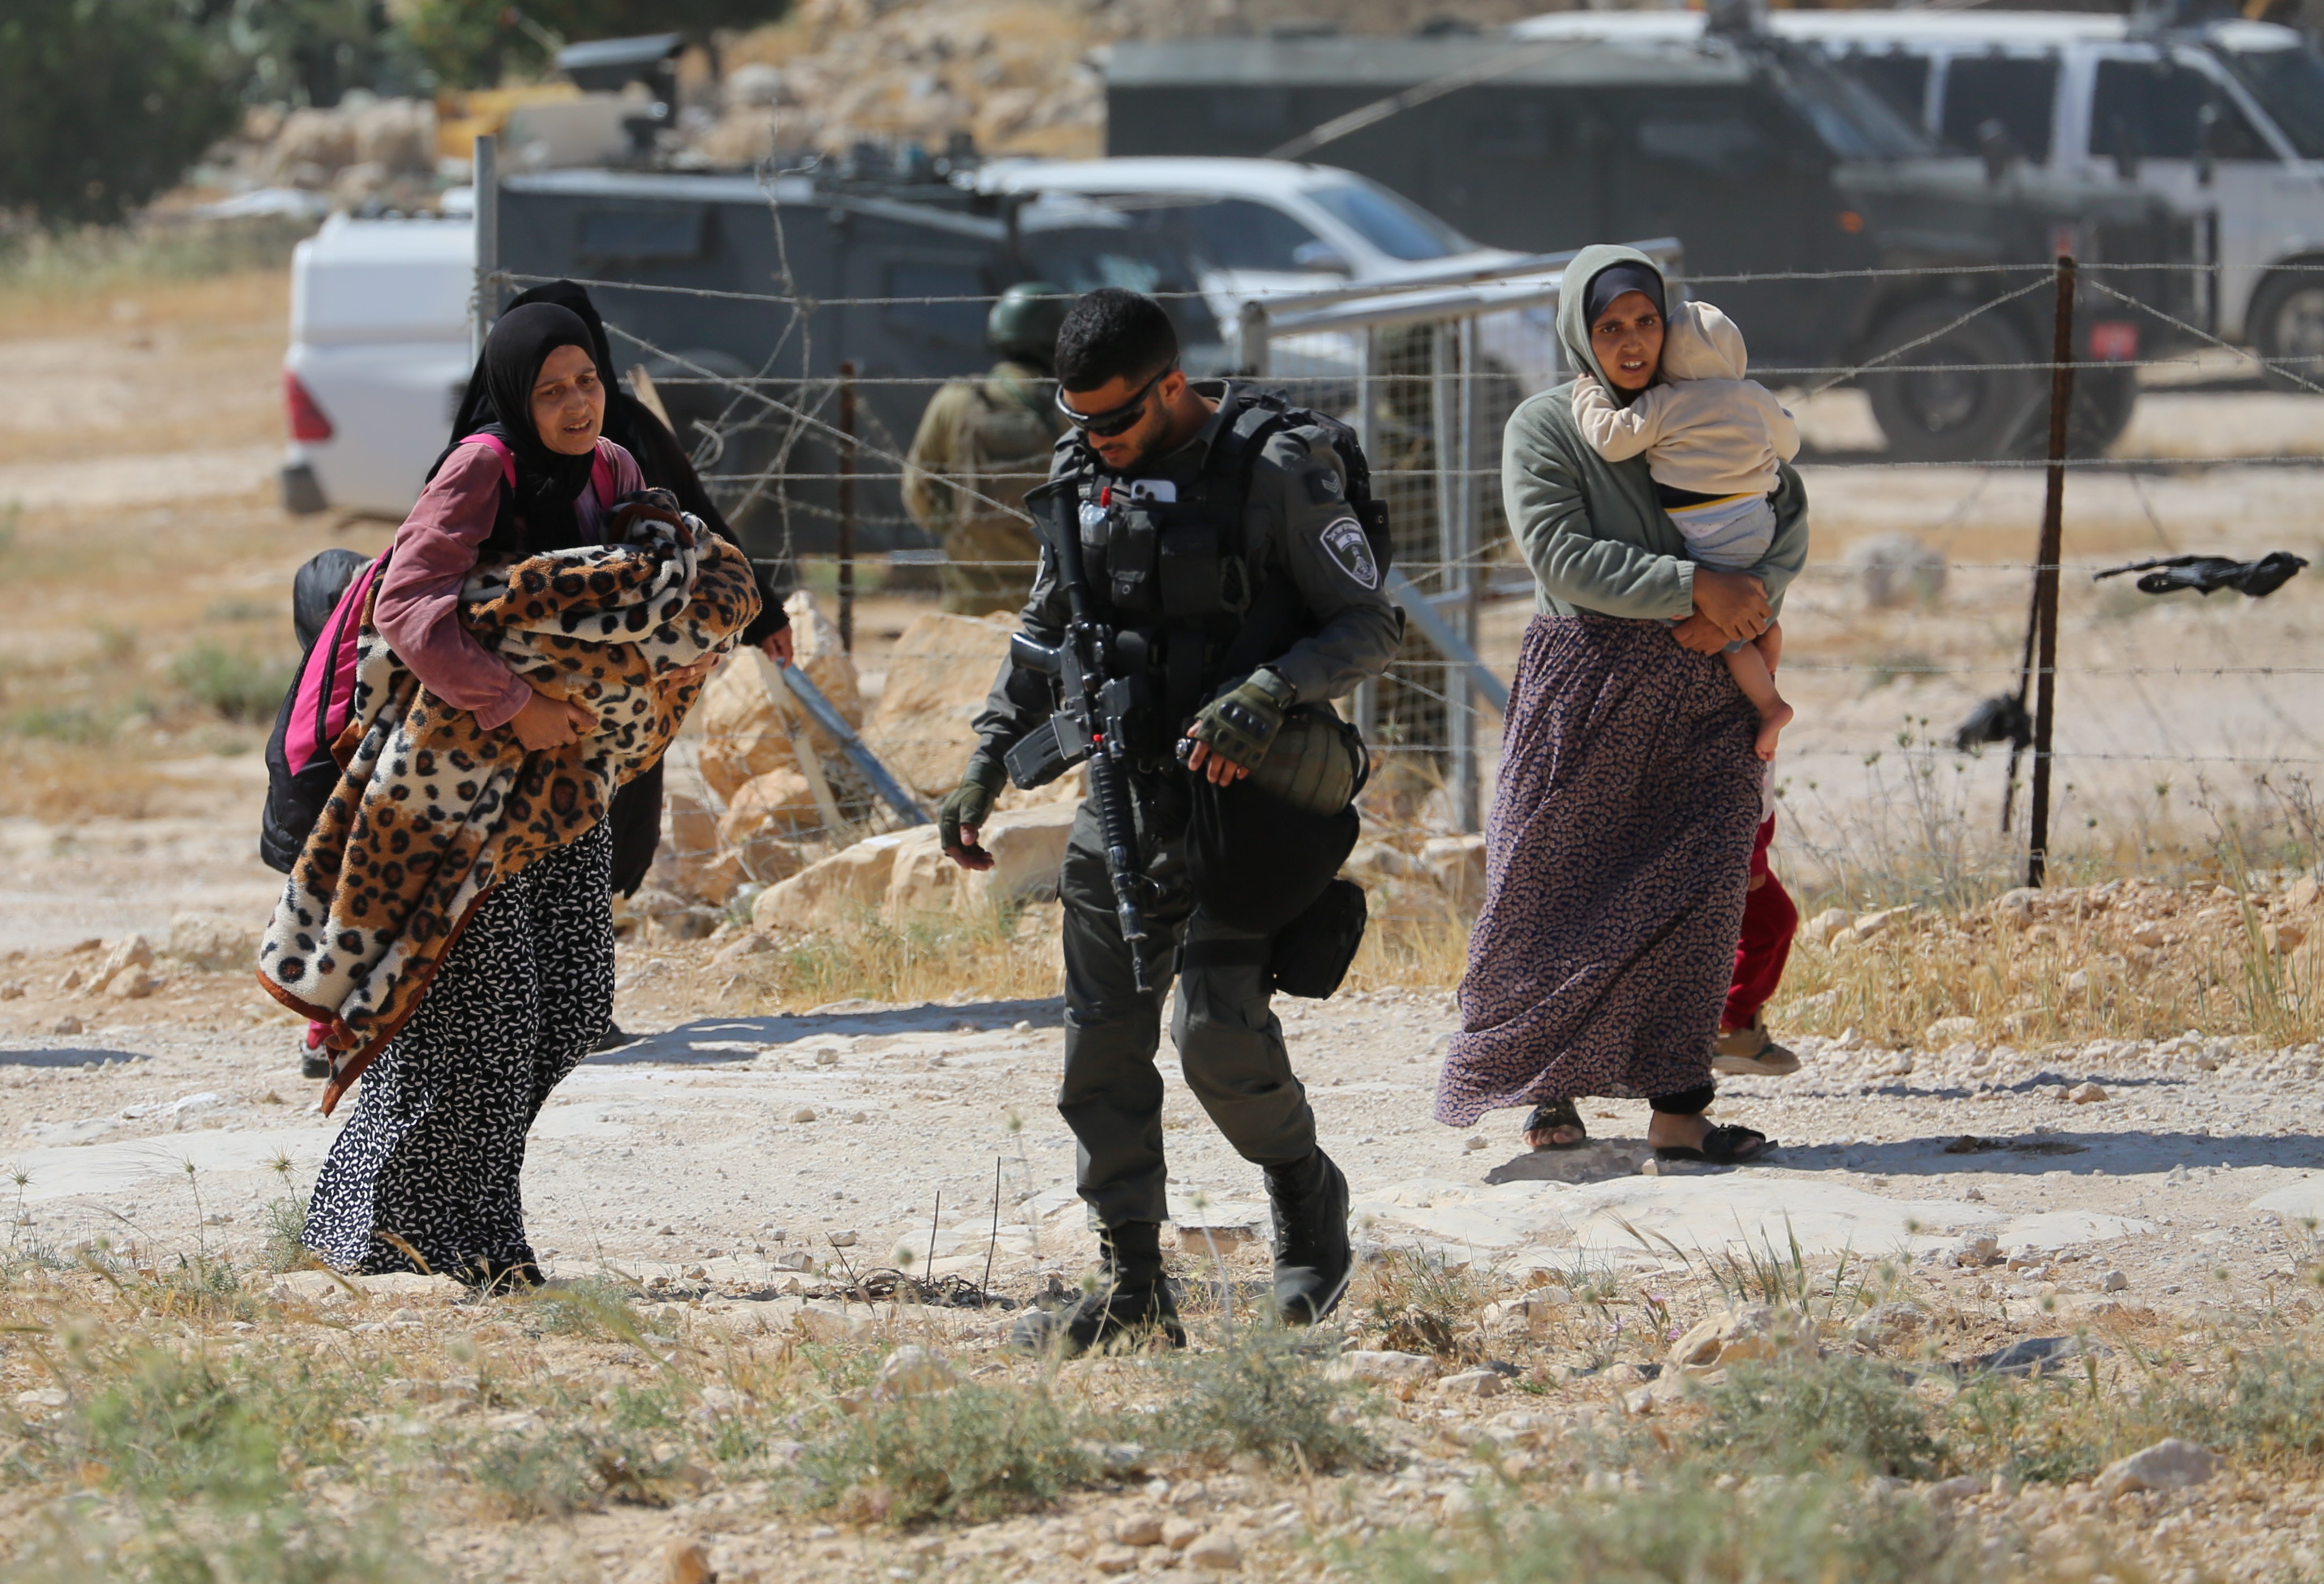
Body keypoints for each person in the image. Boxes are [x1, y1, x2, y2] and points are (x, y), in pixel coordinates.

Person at [937, 287, 1401, 1354]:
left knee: (1215, 1038)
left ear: (1175, 385)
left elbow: (1369, 624)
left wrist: (1274, 686)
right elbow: (1044, 630)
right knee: (1099, 1046)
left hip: (1244, 798)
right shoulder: (1077, 478)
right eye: (1079, 418)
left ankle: (1304, 1190)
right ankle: (1133, 1282)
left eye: (1116, 419)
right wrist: (981, 767)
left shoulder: (1278, 471)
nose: (1095, 439)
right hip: (1121, 790)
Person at [297, 301, 724, 1287]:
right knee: (486, 1022)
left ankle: (417, 1215)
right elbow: (406, 604)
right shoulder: (481, 469)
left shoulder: (614, 466)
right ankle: (422, 1237)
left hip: (566, 784)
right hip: (461, 785)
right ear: (515, 397)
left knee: (569, 1008)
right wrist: (512, 701)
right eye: (552, 389)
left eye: (588, 382)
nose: (577, 404)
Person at [1435, 246, 1807, 1164]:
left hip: (1705, 681)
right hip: (1585, 681)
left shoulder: (1704, 400)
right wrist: (1692, 588)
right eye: (1611, 326)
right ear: (1580, 332)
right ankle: (1545, 1090)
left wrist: (1747, 595)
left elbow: (1785, 506)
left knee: (1702, 887)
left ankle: (1680, 1111)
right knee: (1548, 887)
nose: (1632, 342)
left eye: (1646, 321)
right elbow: (1559, 554)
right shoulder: (1546, 427)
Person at [1571, 295, 1799, 760]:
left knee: (1720, 629)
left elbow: (1611, 442)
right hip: (1759, 519)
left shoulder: (1664, 401)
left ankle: (1770, 704)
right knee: (1746, 601)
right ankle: (1767, 633)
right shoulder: (1754, 396)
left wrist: (1587, 394)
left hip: (1710, 530)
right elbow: (1789, 446)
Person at [903, 281, 1075, 615]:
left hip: (971, 585)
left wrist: (960, 529)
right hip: (1050, 589)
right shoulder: (1073, 407)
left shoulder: (957, 400)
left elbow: (918, 494)